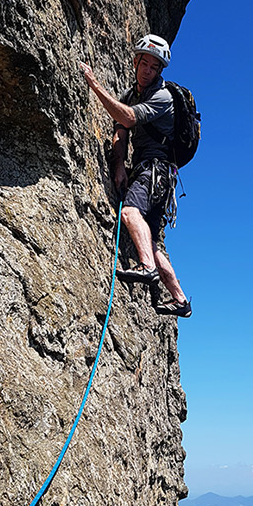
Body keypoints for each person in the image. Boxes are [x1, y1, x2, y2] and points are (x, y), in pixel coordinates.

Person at [79, 35, 191, 317]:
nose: (148, 71)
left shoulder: (163, 97)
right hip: (151, 172)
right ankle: (180, 299)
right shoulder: (132, 94)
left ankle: (147, 269)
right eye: (145, 63)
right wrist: (118, 165)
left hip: (156, 170)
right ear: (135, 61)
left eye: (154, 67)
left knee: (129, 213)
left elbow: (128, 117)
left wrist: (94, 84)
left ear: (159, 71)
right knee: (150, 241)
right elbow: (121, 131)